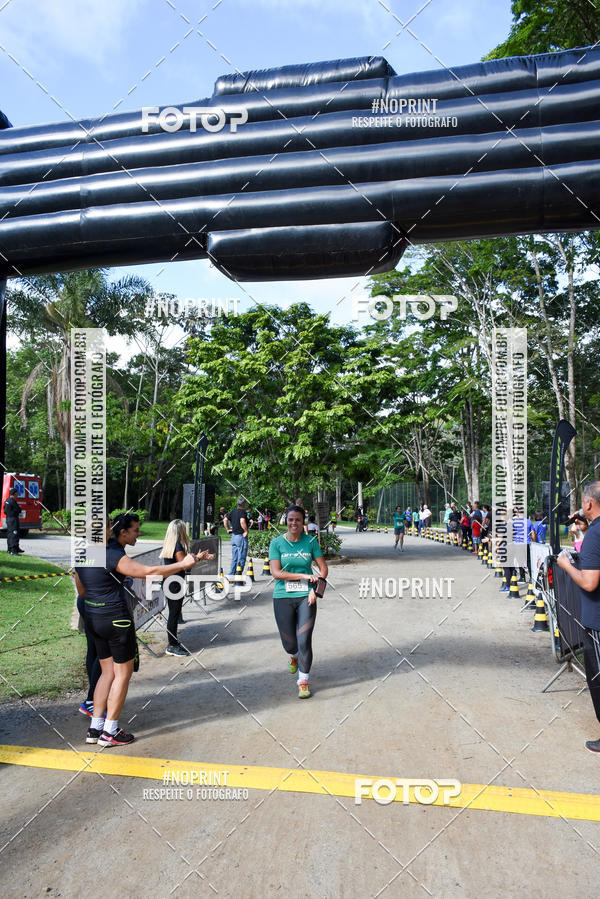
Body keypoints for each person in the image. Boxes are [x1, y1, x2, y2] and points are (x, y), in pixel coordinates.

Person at [74, 513, 198, 747]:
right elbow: (145, 571)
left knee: (106, 672)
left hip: (93, 617)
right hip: (115, 619)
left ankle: (95, 728)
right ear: (107, 530)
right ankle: (110, 730)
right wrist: (182, 564)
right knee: (122, 674)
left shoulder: (82, 555)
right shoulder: (111, 555)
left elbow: (81, 590)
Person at [556, 482, 600, 753]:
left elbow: (589, 582)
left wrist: (567, 565)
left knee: (597, 679)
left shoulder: (596, 533)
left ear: (588, 504)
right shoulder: (593, 531)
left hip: (596, 622)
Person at [269, 505, 328, 698]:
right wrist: (302, 575)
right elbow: (276, 573)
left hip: (306, 597)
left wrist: (316, 593)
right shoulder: (277, 543)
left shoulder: (311, 542)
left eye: (297, 520)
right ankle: (293, 656)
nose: (294, 523)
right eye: (290, 519)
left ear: (303, 521)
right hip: (282, 597)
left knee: (304, 640)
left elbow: (323, 568)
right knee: (290, 645)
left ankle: (303, 681)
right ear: (286, 521)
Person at [159, 519, 212, 656]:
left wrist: (198, 557)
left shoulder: (170, 544)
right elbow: (185, 564)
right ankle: (172, 644)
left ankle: (173, 641)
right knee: (174, 614)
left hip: (169, 581)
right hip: (174, 582)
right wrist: (199, 558)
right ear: (180, 531)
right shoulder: (177, 547)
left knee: (174, 613)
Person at [224, 498, 249, 577]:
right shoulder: (242, 512)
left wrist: (228, 529)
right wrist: (246, 531)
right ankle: (238, 577)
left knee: (234, 558)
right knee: (241, 558)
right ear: (244, 504)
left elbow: (225, 520)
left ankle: (231, 575)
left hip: (234, 537)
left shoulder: (233, 511)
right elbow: (242, 521)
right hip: (240, 537)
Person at [4, 486, 24, 555]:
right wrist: (18, 510)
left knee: (10, 534)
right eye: (17, 494)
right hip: (13, 519)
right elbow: (19, 510)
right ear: (15, 494)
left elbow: (5, 511)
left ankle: (9, 549)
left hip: (8, 519)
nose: (17, 495)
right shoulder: (13, 501)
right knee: (14, 534)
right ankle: (13, 550)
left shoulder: (7, 500)